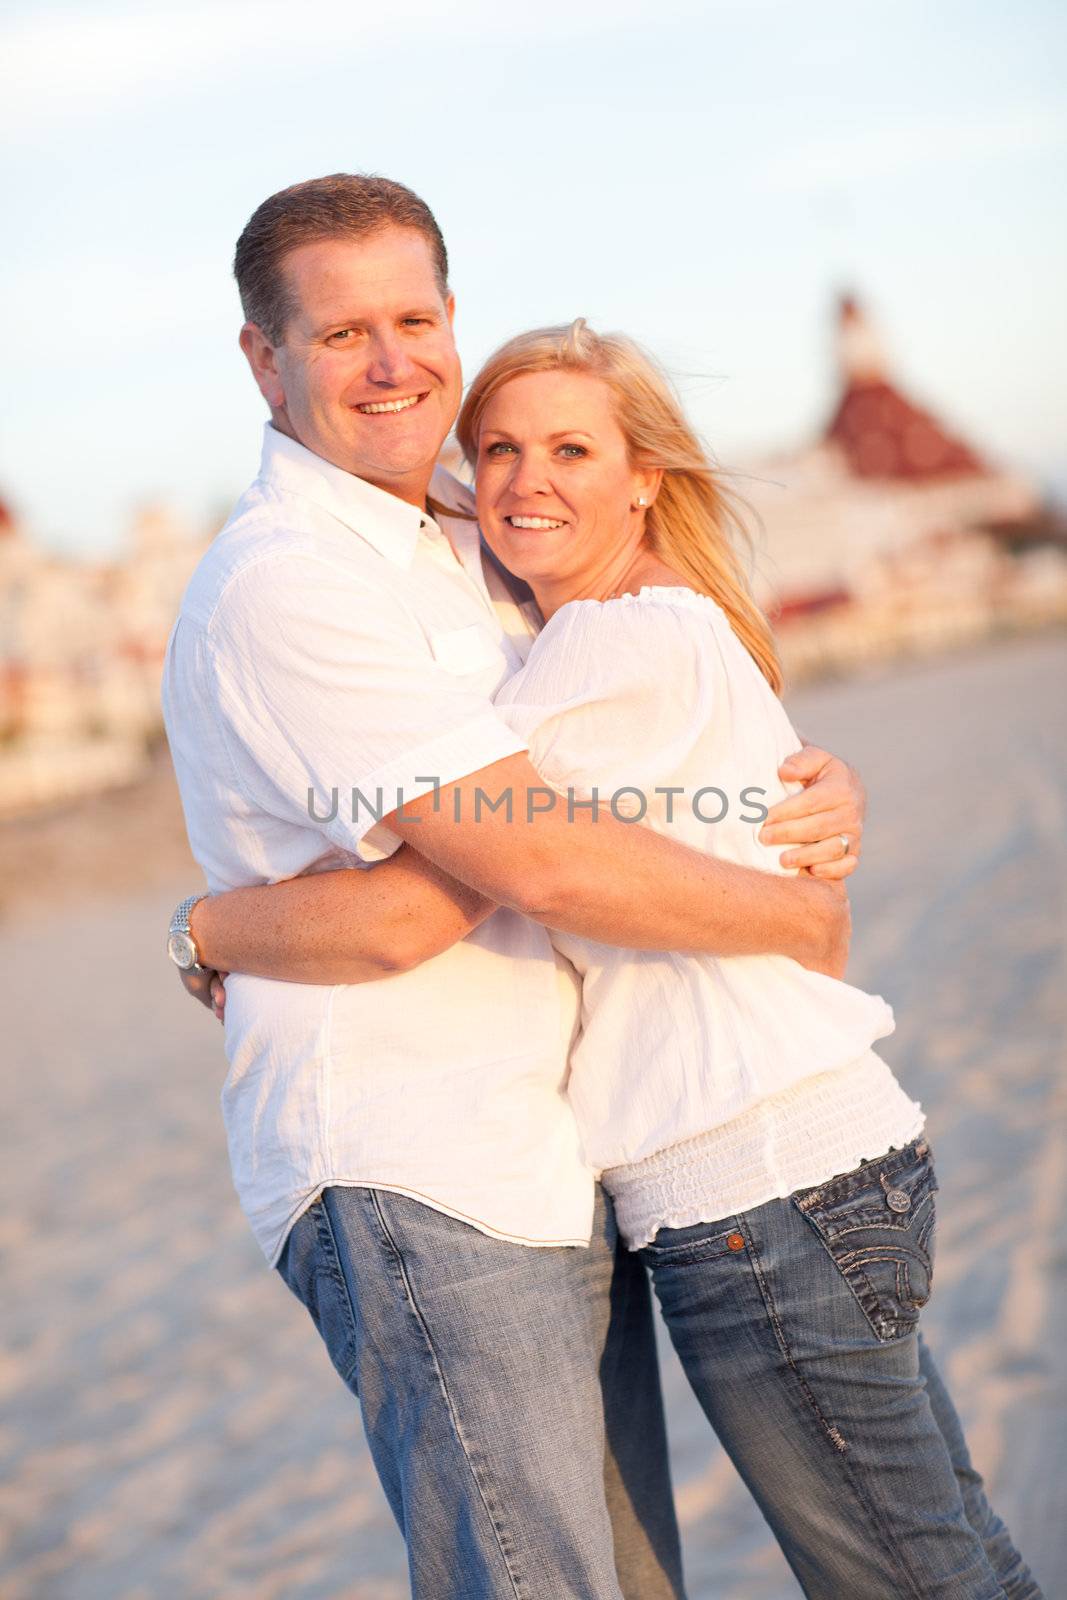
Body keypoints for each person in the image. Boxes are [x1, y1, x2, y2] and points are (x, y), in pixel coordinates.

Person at [189, 320, 1044, 1600]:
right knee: (946, 1553)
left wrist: (211, 929)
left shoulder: (604, 652)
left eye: (572, 450)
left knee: (911, 1577)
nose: (528, 482)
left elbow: (434, 896)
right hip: (809, 1171)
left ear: (644, 476)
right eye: (501, 453)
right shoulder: (640, 629)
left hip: (756, 1187)